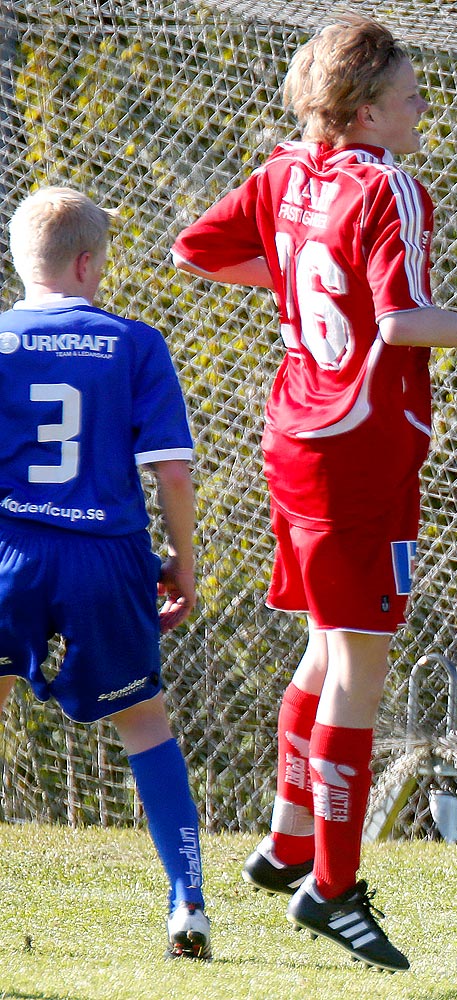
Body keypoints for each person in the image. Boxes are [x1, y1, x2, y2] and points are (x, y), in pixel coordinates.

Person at [171, 16, 457, 972]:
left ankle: (287, 842)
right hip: (357, 451)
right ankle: (333, 886)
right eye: (408, 94)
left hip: (294, 433)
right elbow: (402, 321)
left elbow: (191, 250)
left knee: (328, 649)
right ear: (365, 111)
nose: (420, 108)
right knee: (362, 669)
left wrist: (293, 285)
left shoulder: (286, 170)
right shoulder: (390, 186)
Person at [0, 187, 208, 959]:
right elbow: (173, 473)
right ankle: (188, 902)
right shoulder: (133, 343)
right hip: (107, 556)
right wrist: (182, 564)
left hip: (8, 550)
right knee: (144, 720)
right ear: (88, 263)